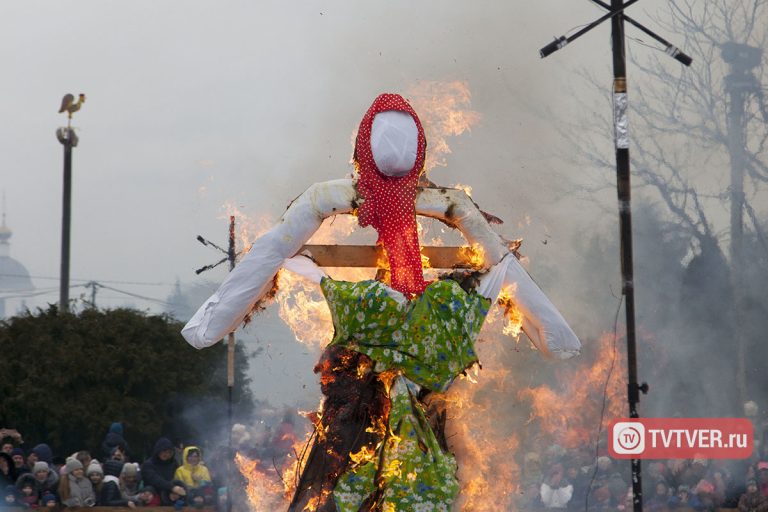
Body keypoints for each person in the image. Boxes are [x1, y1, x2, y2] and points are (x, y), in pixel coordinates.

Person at [182, 93, 582, 511]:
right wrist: (548, 331)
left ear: (360, 148)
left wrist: (212, 323)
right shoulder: (444, 294)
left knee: (350, 482)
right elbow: (538, 315)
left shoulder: (343, 240)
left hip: (357, 413)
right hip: (404, 412)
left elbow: (266, 258)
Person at [141, 438, 184, 505]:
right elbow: (155, 479)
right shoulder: (148, 464)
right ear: (158, 450)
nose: (167, 454)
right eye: (164, 451)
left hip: (170, 494)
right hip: (153, 494)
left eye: (169, 452)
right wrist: (172, 487)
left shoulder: (173, 463)